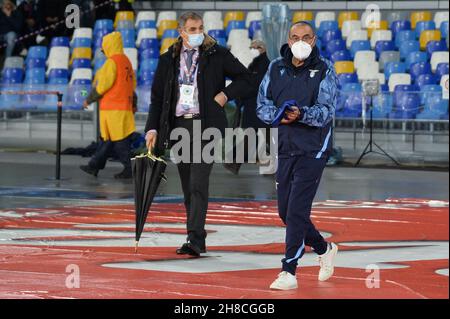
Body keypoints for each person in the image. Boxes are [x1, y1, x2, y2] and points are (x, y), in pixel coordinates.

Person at [144, 11, 253, 257]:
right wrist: (151, 128)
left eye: (200, 28)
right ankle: (194, 237)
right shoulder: (167, 60)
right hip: (179, 126)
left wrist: (225, 95)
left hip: (205, 126)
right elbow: (157, 100)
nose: (198, 34)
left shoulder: (217, 54)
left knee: (197, 183)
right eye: (192, 29)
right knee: (187, 186)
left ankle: (196, 240)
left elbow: (247, 79)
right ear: (181, 31)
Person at [256, 21, 339, 290]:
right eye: (295, 37)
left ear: (313, 40)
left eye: (305, 37)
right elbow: (262, 105)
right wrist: (279, 115)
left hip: (314, 148)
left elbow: (327, 109)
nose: (300, 41)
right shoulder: (275, 67)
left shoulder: (325, 69)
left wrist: (301, 114)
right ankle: (324, 248)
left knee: (297, 211)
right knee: (286, 212)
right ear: (288, 40)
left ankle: (289, 270)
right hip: (285, 147)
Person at [80, 31, 137, 179]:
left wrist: (88, 99)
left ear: (109, 46)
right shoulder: (127, 62)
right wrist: (133, 104)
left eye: (104, 48)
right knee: (110, 140)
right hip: (124, 107)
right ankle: (94, 166)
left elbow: (102, 86)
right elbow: (131, 86)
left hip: (112, 109)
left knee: (118, 142)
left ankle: (129, 168)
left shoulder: (112, 62)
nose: (104, 52)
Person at [224, 39, 271, 175]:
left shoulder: (264, 65)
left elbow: (254, 85)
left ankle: (233, 161)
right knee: (261, 135)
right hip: (254, 106)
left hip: (259, 106)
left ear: (261, 48)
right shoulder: (255, 64)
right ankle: (233, 161)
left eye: (254, 47)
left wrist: (241, 94)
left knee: (259, 135)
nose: (252, 50)